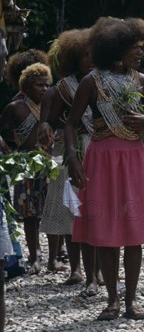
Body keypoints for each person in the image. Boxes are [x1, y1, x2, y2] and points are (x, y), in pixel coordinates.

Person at [65, 16, 144, 321]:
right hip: (101, 158)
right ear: (116, 48)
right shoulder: (91, 81)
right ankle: (112, 300)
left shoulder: (142, 80)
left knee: (133, 231)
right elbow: (70, 123)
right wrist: (73, 157)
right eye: (134, 48)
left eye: (141, 47)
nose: (139, 53)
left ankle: (131, 300)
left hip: (133, 157)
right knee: (106, 231)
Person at [37, 28, 99, 288]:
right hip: (69, 151)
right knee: (71, 211)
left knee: (96, 212)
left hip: (98, 150)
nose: (89, 59)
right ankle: (76, 269)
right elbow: (50, 121)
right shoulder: (62, 88)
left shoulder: (104, 81)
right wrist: (46, 127)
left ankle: (98, 270)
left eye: (92, 54)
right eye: (84, 55)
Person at [0, 62, 52, 274]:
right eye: (40, 85)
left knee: (51, 210)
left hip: (49, 163)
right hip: (26, 165)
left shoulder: (51, 105)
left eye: (47, 85)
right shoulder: (15, 108)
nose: (45, 89)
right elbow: (3, 135)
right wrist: (10, 156)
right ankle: (34, 255)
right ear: (27, 86)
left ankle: (54, 257)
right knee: (30, 215)